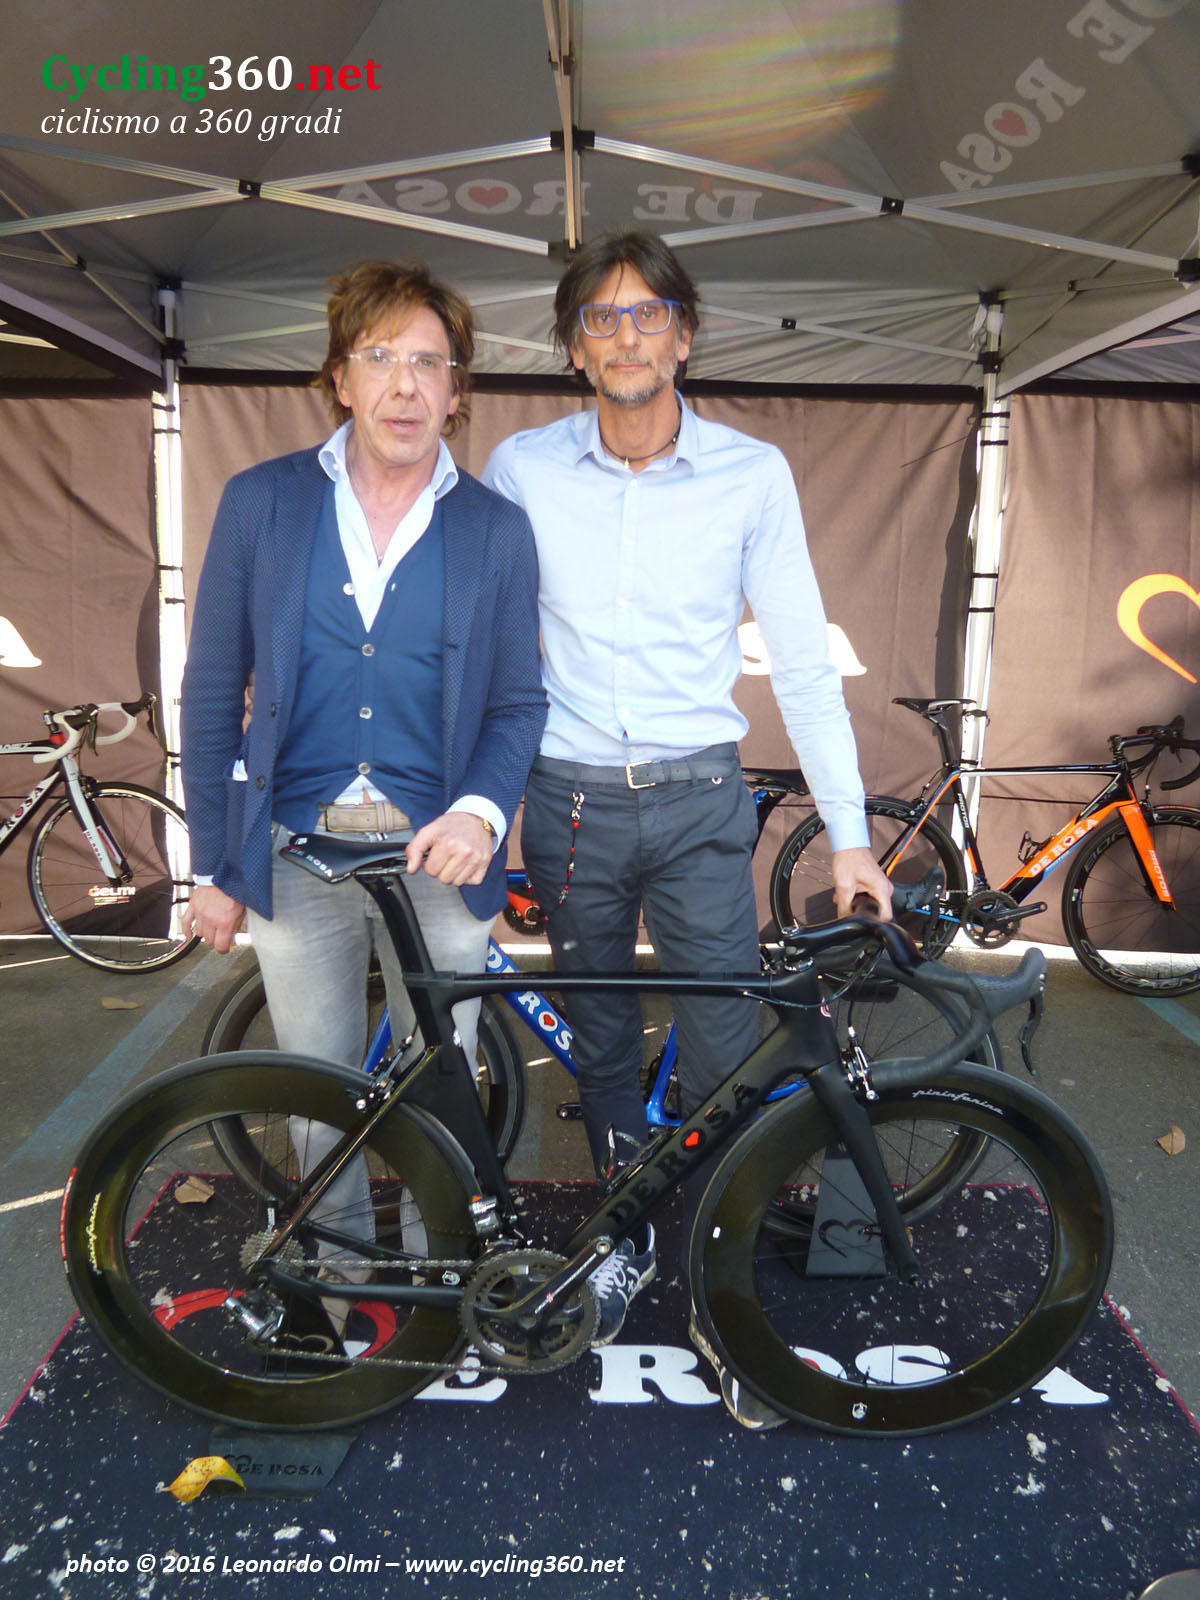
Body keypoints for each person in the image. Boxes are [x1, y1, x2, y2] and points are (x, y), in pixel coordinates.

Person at [483, 229, 891, 1422]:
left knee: (727, 1049)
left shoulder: (752, 475)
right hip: (568, 801)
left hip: (701, 798)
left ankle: (717, 1276)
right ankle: (621, 1240)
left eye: (648, 313)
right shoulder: (520, 468)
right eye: (601, 318)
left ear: (686, 333)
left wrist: (851, 835)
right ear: (573, 346)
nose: (626, 336)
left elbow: (803, 664)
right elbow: (481, 646)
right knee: (603, 1041)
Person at [180, 259, 546, 1337]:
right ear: (340, 376)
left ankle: (442, 1298)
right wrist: (218, 863)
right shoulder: (262, 503)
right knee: (318, 1092)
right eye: (380, 357)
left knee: (443, 1088)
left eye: (429, 362)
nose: (404, 384)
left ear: (457, 389)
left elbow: (518, 702)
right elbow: (213, 688)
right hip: (296, 851)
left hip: (440, 856)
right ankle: (342, 1301)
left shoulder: (495, 529)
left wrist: (481, 812)